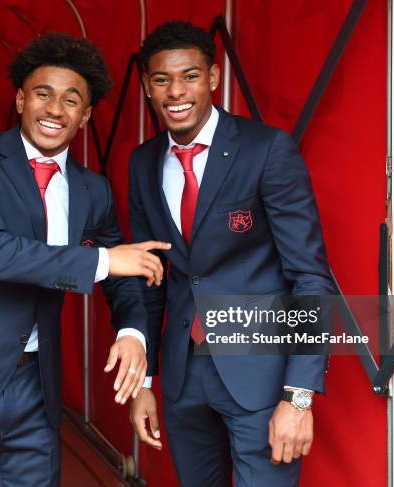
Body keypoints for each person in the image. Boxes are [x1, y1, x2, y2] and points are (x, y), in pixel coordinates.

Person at [0, 33, 169, 486]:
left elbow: (125, 272)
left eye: (71, 100)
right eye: (43, 94)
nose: (55, 109)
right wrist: (103, 261)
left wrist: (133, 333)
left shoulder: (92, 189)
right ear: (21, 100)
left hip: (35, 389)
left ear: (85, 116)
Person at [128, 21, 335, 486]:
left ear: (214, 77)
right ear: (146, 85)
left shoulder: (266, 150)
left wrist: (299, 396)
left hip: (260, 375)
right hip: (183, 380)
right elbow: (150, 279)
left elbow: (310, 279)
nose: (176, 92)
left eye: (190, 76)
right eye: (161, 80)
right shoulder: (142, 163)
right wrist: (143, 381)